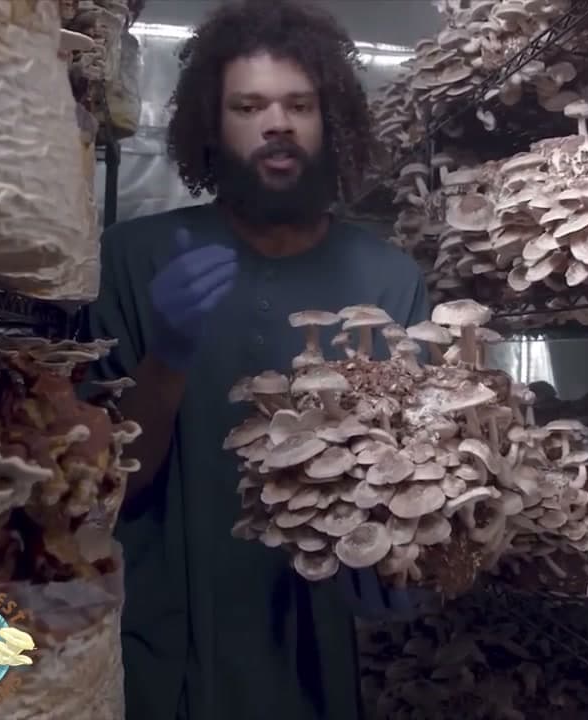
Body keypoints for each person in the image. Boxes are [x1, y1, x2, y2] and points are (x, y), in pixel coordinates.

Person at [80, 1, 429, 718]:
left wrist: (404, 564)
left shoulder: (389, 280)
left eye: (300, 105)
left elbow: (413, 488)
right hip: (160, 648)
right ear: (211, 126)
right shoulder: (132, 259)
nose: (278, 123)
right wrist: (168, 355)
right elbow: (98, 492)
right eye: (248, 106)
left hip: (319, 655)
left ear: (330, 122)